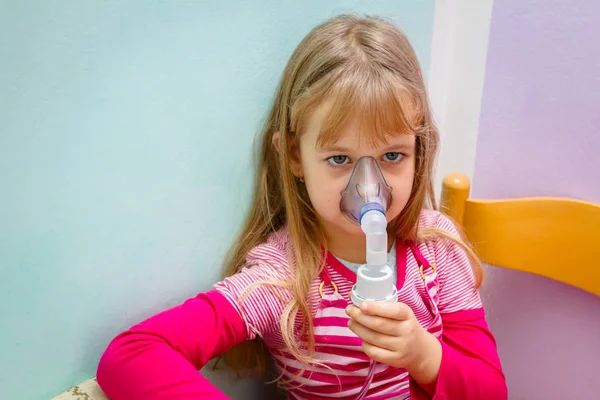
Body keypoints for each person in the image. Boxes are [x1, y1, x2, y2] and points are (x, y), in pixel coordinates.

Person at [96, 14, 507, 399]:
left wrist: (423, 355)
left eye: (393, 155)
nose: (369, 188)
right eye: (340, 159)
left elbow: (491, 391)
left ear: (419, 149)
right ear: (294, 156)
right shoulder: (282, 280)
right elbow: (132, 354)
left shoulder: (437, 250)